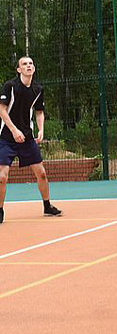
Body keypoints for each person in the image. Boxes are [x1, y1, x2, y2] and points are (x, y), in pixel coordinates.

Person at [0, 56, 62, 224]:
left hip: (27, 138)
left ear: (33, 68)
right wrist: (14, 130)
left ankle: (47, 206)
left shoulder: (38, 89)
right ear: (18, 69)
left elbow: (39, 111)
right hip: (6, 137)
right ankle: (0, 210)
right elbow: (2, 110)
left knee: (41, 173)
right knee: (2, 177)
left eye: (30, 64)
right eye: (24, 64)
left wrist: (41, 130)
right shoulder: (10, 86)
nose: (28, 66)